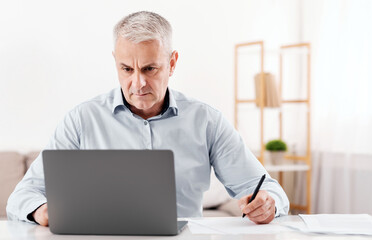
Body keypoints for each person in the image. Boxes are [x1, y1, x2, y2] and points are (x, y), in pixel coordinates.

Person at [6, 11, 289, 226]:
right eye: (127, 69)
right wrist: (42, 210)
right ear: (115, 62)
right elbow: (22, 195)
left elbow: (269, 189)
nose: (138, 83)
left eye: (150, 68)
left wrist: (268, 204)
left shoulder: (206, 120)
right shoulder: (82, 119)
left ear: (172, 63)